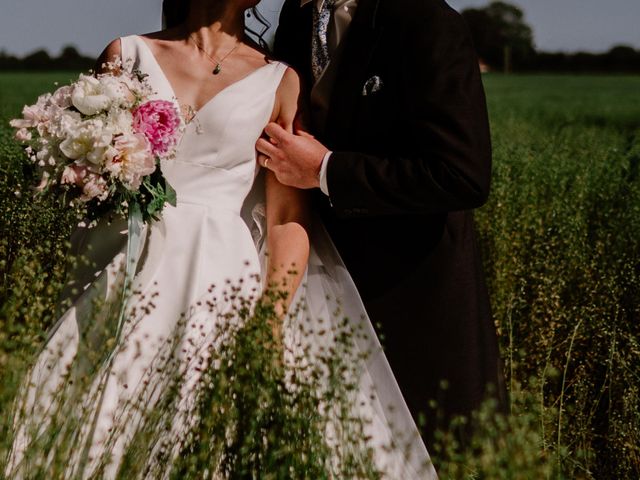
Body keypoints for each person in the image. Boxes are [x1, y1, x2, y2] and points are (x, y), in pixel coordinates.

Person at [7, 0, 435, 478]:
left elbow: (287, 217)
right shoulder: (126, 53)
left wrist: (269, 323)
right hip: (128, 266)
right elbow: (88, 177)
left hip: (224, 281)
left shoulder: (279, 80)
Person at [259, 0, 507, 449]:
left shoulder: (426, 19)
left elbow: (462, 175)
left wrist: (326, 171)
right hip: (313, 286)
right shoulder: (296, 17)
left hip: (409, 293)